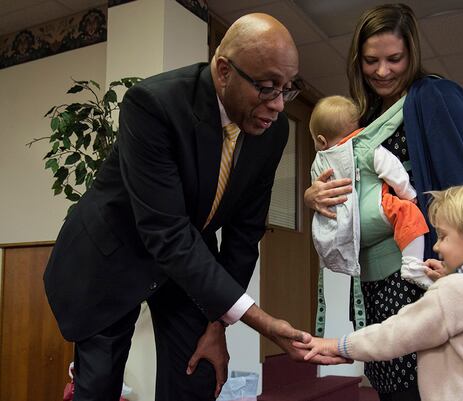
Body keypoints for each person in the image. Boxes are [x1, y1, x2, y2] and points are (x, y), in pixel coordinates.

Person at [44, 13, 342, 401]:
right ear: (223, 71)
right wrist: (261, 321)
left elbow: (244, 233)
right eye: (268, 88)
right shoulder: (154, 104)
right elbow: (166, 232)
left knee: (199, 372)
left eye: (287, 89)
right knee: (99, 385)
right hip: (111, 257)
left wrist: (219, 323)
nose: (278, 106)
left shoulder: (272, 132)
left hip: (186, 259)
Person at [304, 4, 463, 400]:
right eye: (371, 61)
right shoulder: (361, 117)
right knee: (389, 382)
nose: (382, 71)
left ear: (412, 54)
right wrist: (313, 194)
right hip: (373, 278)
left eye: (394, 59)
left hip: (420, 271)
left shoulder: (434, 96)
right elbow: (344, 178)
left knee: (422, 384)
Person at [296, 177, 463, 401]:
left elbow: (396, 334)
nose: (437, 247)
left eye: (443, 236)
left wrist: (339, 345)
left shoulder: (454, 291)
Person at [309, 95, 431, 289]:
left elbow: (318, 193)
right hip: (374, 215)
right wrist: (409, 195)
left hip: (346, 229)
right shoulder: (365, 147)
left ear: (321, 140)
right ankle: (412, 266)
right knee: (408, 213)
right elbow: (393, 171)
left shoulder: (318, 163)